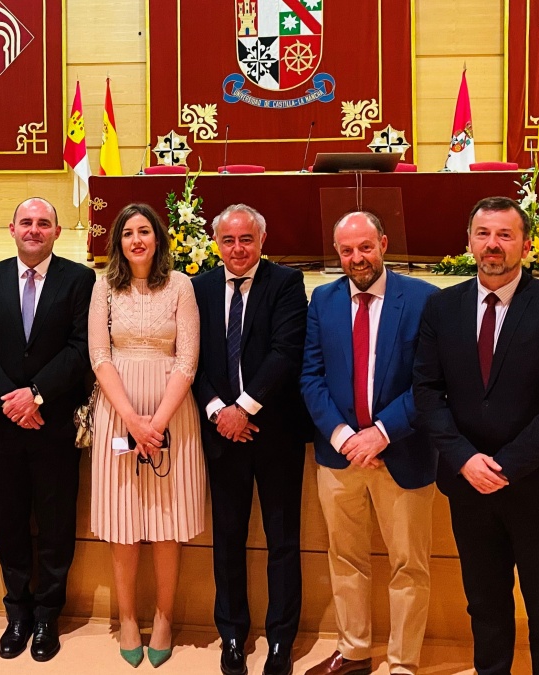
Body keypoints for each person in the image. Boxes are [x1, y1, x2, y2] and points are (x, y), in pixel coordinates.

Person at [414, 196, 539, 675]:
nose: (493, 245)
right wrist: (465, 460)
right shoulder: (441, 307)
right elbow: (427, 391)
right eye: (483, 234)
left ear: (526, 246)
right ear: (469, 241)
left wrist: (507, 465)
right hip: (470, 488)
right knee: (486, 610)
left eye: (505, 235)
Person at [299, 212, 439, 675]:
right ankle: (355, 650)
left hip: (402, 452)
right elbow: (311, 377)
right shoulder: (323, 299)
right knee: (345, 559)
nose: (356, 258)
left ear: (382, 243)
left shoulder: (422, 299)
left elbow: (429, 382)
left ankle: (402, 662)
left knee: (409, 566)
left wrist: (380, 434)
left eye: (365, 247)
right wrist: (344, 437)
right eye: (346, 250)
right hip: (339, 457)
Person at [0, 197, 94, 662]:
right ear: (11, 228)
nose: (35, 230)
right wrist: (12, 399)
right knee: (9, 523)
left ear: (58, 233)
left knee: (57, 525)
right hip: (3, 425)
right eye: (27, 222)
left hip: (55, 424)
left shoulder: (79, 279)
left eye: (44, 223)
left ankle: (47, 615)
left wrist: (36, 394)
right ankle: (17, 612)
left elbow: (81, 347)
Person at [191, 204, 308, 675]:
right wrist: (221, 412)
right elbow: (189, 356)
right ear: (216, 243)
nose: (237, 249)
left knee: (283, 539)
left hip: (274, 431)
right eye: (228, 240)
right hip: (221, 433)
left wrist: (245, 408)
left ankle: (281, 638)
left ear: (262, 240)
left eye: (246, 239)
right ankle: (233, 634)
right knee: (228, 538)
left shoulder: (285, 283)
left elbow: (286, 352)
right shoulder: (196, 287)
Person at [88, 203, 205, 669]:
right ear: (118, 242)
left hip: (172, 414)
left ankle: (163, 616)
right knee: (123, 524)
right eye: (127, 233)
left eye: (145, 232)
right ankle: (129, 617)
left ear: (158, 239)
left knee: (165, 523)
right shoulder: (104, 288)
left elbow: (187, 360)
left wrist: (156, 423)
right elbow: (99, 356)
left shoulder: (181, 286)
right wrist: (133, 421)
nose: (136, 240)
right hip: (119, 413)